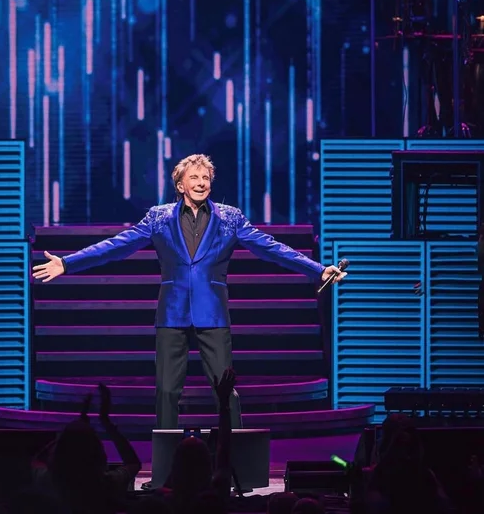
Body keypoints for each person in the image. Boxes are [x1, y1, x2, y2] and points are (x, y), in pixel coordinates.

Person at [32, 153, 346, 429]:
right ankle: (165, 466)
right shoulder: (158, 218)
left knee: (225, 392)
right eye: (194, 178)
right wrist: (68, 263)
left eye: (205, 178)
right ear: (180, 185)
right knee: (167, 392)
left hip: (213, 313)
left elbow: (272, 248)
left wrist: (318, 269)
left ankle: (235, 461)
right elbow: (116, 245)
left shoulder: (230, 218)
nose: (200, 183)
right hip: (172, 313)